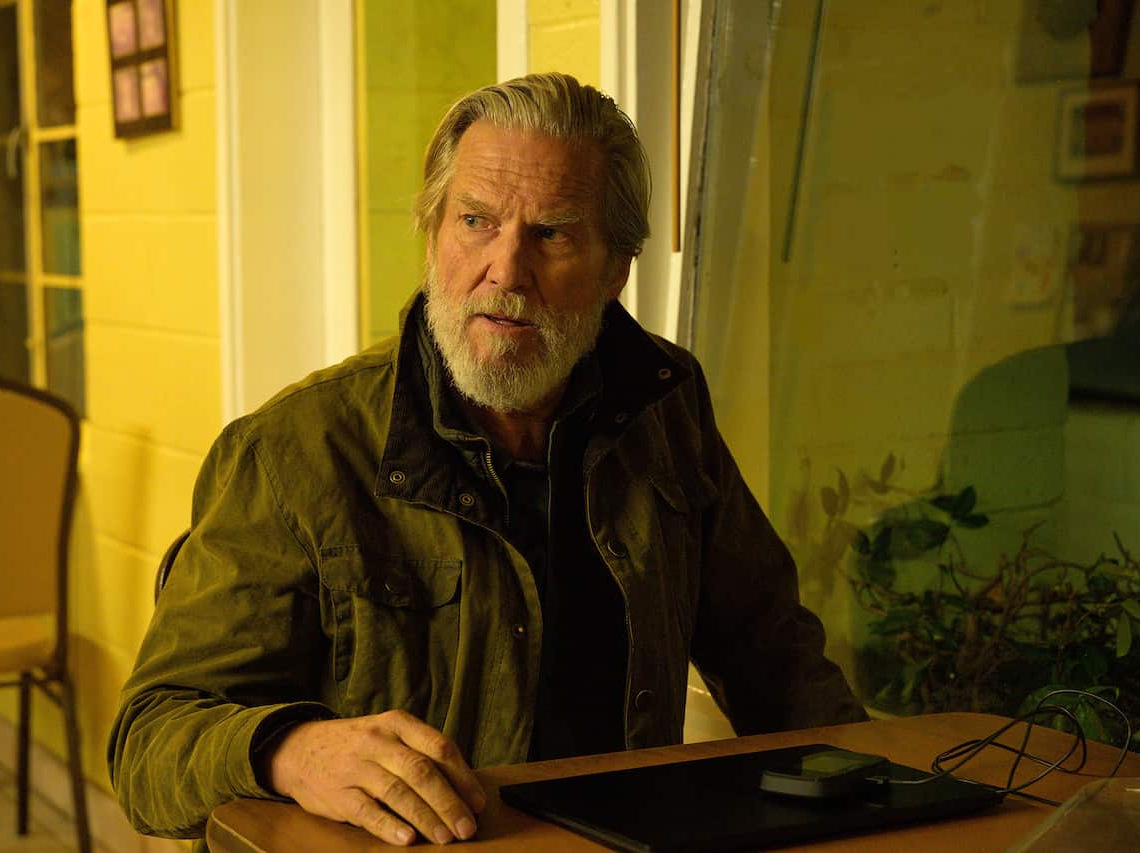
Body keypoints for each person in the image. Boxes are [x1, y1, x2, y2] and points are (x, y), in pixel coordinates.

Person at [109, 72, 866, 849]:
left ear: (615, 270)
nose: (505, 271)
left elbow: (774, 654)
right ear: (433, 234)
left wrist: (882, 793)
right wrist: (291, 750)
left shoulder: (664, 407)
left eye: (552, 234)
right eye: (475, 221)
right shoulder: (295, 450)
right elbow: (147, 740)